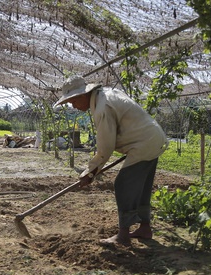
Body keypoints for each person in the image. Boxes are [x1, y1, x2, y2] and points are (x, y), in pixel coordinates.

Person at [53, 75, 169, 246]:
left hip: (143, 144)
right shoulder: (106, 95)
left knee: (123, 184)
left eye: (73, 101)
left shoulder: (103, 107)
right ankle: (145, 228)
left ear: (83, 95)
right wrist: (93, 171)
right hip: (152, 139)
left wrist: (90, 172)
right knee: (141, 187)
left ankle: (123, 235)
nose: (73, 106)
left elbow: (105, 148)